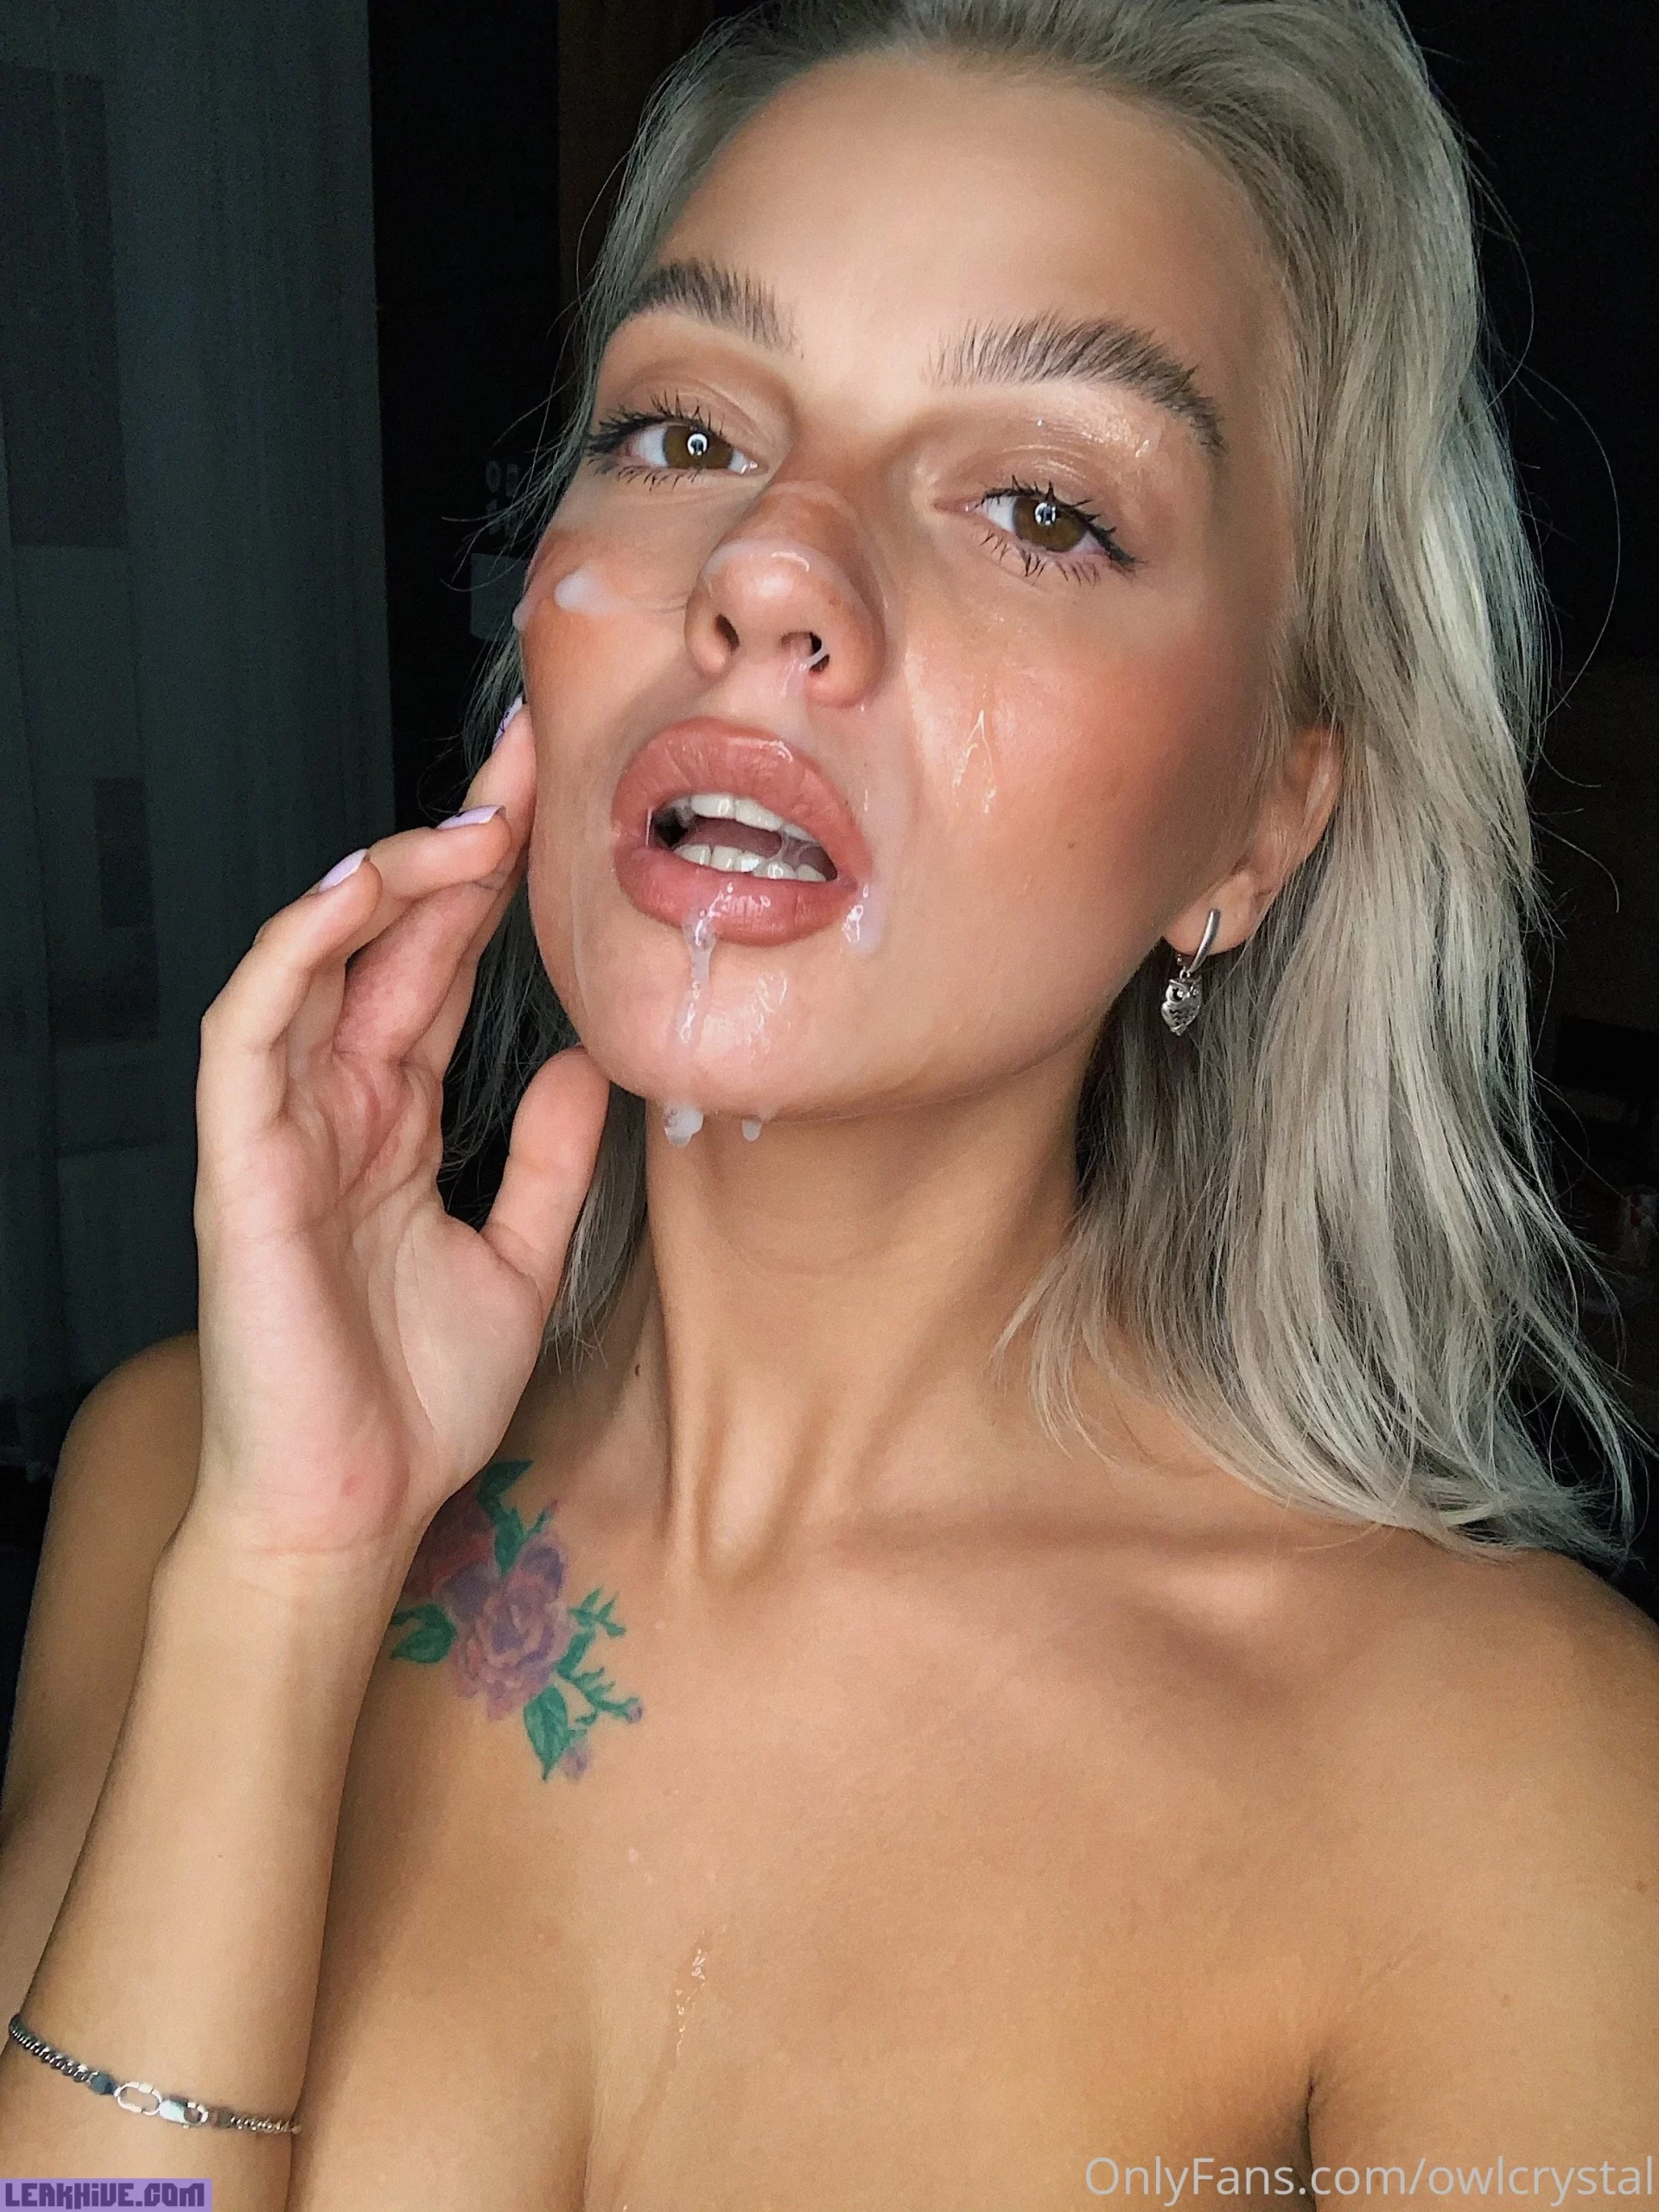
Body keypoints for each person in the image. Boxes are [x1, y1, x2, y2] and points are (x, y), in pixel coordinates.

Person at [2, 0, 1656, 2196]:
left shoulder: (1522, 1785)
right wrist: (288, 1578)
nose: (767, 565)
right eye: (685, 430)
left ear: (1263, 815)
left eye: (1042, 507)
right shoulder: (178, 1489)